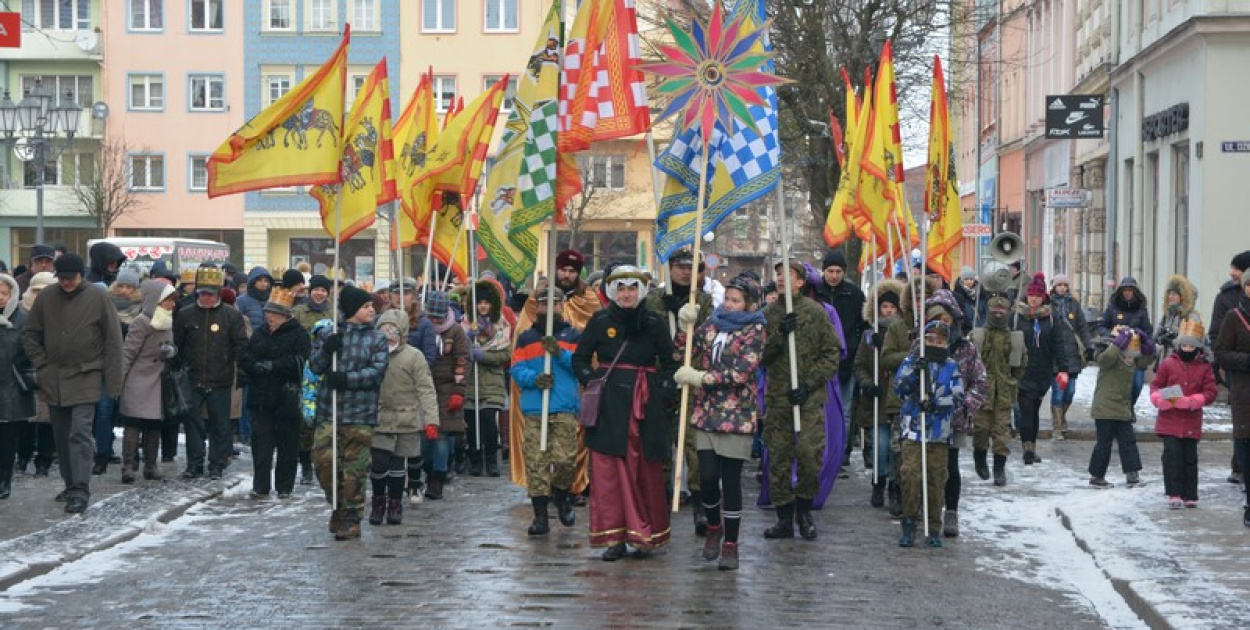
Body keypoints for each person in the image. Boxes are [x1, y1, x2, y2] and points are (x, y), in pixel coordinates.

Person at [574, 265, 679, 560]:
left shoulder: (655, 323)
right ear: (612, 292)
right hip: (609, 406)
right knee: (609, 473)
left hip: (644, 405)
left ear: (641, 291)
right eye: (621, 289)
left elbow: (669, 363)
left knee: (644, 470)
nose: (626, 294)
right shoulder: (599, 321)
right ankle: (614, 538)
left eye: (632, 288)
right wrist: (591, 380)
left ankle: (644, 534)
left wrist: (664, 390)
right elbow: (580, 358)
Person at [673, 276, 766, 570]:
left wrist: (703, 378)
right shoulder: (713, 324)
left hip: (737, 414)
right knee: (707, 476)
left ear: (750, 303)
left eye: (736, 300)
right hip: (706, 412)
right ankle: (714, 527)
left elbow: (741, 372)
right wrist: (683, 325)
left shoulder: (756, 329)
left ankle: (731, 543)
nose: (729, 304)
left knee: (731, 480)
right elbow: (682, 351)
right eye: (727, 298)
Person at [20, 253, 124, 514]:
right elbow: (30, 334)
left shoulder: (99, 297)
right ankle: (70, 484)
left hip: (87, 375)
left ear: (81, 275)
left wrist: (113, 383)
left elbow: (113, 342)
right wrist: (41, 363)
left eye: (71, 278)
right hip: (53, 377)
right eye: (62, 278)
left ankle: (80, 489)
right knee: (62, 436)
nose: (66, 283)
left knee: (79, 433)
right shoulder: (46, 297)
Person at [760, 260, 841, 541]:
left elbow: (832, 353)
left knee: (808, 453)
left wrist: (808, 385)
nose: (782, 279)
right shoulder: (769, 314)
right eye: (779, 274)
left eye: (789, 275)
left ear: (801, 282)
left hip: (808, 399)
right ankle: (783, 516)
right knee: (779, 458)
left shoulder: (816, 313)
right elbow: (761, 356)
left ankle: (804, 509)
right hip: (779, 398)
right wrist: (779, 334)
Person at [311, 286, 390, 540]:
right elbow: (314, 366)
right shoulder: (329, 334)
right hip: (329, 411)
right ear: (352, 309)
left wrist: (346, 379)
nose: (371, 310)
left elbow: (376, 373)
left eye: (372, 306)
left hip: (360, 414)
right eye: (366, 306)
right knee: (324, 463)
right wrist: (326, 350)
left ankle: (353, 518)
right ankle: (339, 506)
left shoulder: (377, 339)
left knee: (354, 469)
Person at [645, 248, 714, 534]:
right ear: (670, 268)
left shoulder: (705, 301)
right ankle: (660, 506)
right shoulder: (653, 300)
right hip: (661, 379)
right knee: (661, 447)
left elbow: (709, 336)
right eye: (681, 266)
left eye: (692, 267)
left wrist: (689, 319)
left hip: (691, 378)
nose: (686, 272)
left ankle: (700, 505)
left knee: (693, 446)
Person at [511, 287, 582, 536]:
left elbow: (579, 366)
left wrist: (559, 353)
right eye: (544, 303)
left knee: (565, 460)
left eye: (554, 303)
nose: (549, 308)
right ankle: (540, 516)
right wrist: (534, 379)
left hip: (564, 406)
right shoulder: (526, 337)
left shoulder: (573, 335)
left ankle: (561, 495)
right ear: (537, 307)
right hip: (535, 408)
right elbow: (516, 369)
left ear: (562, 306)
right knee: (536, 463)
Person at [893, 321, 966, 548]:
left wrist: (936, 404)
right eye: (930, 338)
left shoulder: (951, 366)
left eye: (940, 339)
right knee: (911, 477)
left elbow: (958, 396)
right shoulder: (912, 361)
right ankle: (909, 523)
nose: (934, 342)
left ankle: (934, 526)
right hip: (914, 431)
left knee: (936, 480)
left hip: (938, 433)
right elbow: (899, 388)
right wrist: (916, 374)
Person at [172, 264, 248, 480]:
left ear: (218, 294)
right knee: (192, 423)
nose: (206, 297)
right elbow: (178, 344)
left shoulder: (231, 316)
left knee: (220, 425)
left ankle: (217, 464)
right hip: (193, 376)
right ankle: (194, 464)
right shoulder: (186, 315)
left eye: (210, 294)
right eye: (202, 293)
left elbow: (240, 345)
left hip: (220, 378)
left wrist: (239, 369)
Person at [922, 290, 987, 538]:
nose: (941, 322)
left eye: (945, 318)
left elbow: (980, 382)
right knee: (925, 465)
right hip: (925, 418)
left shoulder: (966, 348)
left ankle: (951, 511)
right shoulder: (920, 344)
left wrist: (965, 405)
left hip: (954, 418)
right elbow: (906, 378)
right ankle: (926, 507)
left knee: (950, 465)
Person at [238, 287, 310, 499]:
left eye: (275, 313)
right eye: (268, 312)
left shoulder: (299, 334)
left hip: (287, 397)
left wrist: (274, 365)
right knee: (261, 445)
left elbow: (302, 361)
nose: (270, 317)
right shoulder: (260, 332)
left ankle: (284, 487)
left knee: (288, 445)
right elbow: (244, 356)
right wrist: (255, 366)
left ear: (286, 316)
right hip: (261, 397)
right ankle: (260, 486)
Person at [370, 308, 438, 526]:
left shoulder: (414, 356)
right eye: (384, 331)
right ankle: (378, 501)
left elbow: (426, 389)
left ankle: (395, 503)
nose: (389, 336)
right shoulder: (372, 353)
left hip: (406, 418)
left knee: (398, 464)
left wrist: (431, 420)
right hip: (379, 416)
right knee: (379, 463)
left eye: (394, 332)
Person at [809, 251, 866, 478]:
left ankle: (841, 454)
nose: (833, 276)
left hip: (846, 361)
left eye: (838, 272)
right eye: (830, 271)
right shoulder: (815, 293)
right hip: (818, 360)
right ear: (824, 271)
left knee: (844, 410)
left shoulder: (854, 294)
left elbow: (863, 325)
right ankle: (821, 452)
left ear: (844, 272)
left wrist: (854, 348)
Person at [117, 280, 179, 484]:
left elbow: (170, 345)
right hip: (139, 379)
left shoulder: (167, 320)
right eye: (169, 300)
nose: (173, 304)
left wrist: (171, 351)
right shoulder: (142, 321)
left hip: (158, 379)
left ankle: (151, 465)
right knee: (133, 423)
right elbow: (128, 352)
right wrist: (120, 380)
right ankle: (128, 466)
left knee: (154, 424)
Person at [1150, 320, 1216, 509]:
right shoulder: (1169, 364)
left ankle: (1190, 494)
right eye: (1184, 345)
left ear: (1198, 348)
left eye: (1191, 346)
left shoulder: (1204, 367)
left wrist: (1195, 401)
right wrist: (1159, 399)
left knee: (1189, 458)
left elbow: (1210, 392)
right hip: (1169, 420)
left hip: (1191, 421)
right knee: (1172, 457)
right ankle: (1174, 493)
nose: (1187, 349)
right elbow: (1157, 385)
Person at [1014, 273, 1077, 465]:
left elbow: (1059, 345)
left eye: (1037, 295)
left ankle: (1031, 445)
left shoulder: (1050, 318)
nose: (1034, 298)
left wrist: (1064, 370)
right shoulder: (1017, 317)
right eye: (1031, 295)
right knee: (1025, 409)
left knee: (1034, 410)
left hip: (1043, 372)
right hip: (1021, 371)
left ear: (1043, 297)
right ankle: (1027, 449)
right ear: (1026, 295)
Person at [852, 279, 904, 508]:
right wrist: (866, 384)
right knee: (880, 446)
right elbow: (859, 364)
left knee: (896, 449)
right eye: (884, 307)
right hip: (876, 401)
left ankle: (895, 485)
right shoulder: (868, 335)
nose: (888, 311)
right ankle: (878, 482)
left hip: (898, 399)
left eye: (892, 307)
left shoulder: (906, 333)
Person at [1088, 326, 1155, 488]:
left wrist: (1146, 343)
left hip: (1123, 407)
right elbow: (1104, 360)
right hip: (1105, 408)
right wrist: (1117, 344)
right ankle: (1097, 476)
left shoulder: (1130, 355)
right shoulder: (1105, 351)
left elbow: (1146, 360)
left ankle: (1132, 474)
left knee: (1128, 441)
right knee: (1104, 442)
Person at [971, 292, 1027, 486]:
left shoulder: (1013, 337)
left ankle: (999, 469)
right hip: (982, 392)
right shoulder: (978, 335)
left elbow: (1021, 364)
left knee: (1001, 433)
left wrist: (1011, 381)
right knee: (981, 430)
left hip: (1003, 392)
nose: (998, 313)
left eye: (1002, 310)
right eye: (994, 310)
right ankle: (979, 457)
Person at [459, 277, 511, 477]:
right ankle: (475, 459)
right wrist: (469, 339)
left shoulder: (502, 326)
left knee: (489, 420)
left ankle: (491, 460)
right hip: (471, 381)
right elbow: (460, 349)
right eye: (479, 302)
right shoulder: (465, 324)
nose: (483, 306)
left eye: (486, 302)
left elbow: (506, 354)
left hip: (492, 382)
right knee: (471, 424)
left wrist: (484, 355)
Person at [1213, 271, 1250, 526]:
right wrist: (1246, 361)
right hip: (1244, 393)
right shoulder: (1234, 317)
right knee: (1246, 448)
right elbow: (1221, 353)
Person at [423, 290, 468, 499]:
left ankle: (437, 478)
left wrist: (458, 391)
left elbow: (462, 360)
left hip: (448, 387)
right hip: (424, 387)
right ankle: (427, 469)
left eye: (438, 317)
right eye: (431, 316)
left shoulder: (456, 331)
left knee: (441, 436)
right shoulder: (423, 328)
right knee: (425, 437)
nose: (435, 321)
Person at [0, 273, 36, 499]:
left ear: (13, 294)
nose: (0, 298)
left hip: (12, 387)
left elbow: (31, 352)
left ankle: (5, 480)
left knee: (7, 439)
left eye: (4, 293)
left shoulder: (22, 319)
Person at [15, 272, 55, 477]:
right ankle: (23, 456)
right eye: (36, 290)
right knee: (26, 419)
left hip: (49, 370)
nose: (39, 295)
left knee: (48, 421)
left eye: (44, 291)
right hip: (24, 370)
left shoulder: (58, 310)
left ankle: (44, 461)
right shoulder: (20, 308)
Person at [1049, 275, 1095, 439]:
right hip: (1055, 356)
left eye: (1065, 285)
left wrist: (1089, 346)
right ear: (1054, 287)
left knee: (1070, 391)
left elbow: (1082, 327)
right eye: (1059, 285)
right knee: (1058, 391)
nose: (1062, 288)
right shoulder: (1049, 304)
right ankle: (1057, 427)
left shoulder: (1074, 304)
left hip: (1072, 354)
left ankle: (1062, 417)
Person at [1097, 277, 1152, 411]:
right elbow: (1101, 327)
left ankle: (1129, 407)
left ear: (1135, 292)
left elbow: (1148, 331)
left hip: (1135, 354)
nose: (1127, 293)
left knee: (1137, 384)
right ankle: (1122, 410)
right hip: (1117, 352)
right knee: (1119, 385)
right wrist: (1112, 332)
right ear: (1120, 292)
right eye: (1125, 290)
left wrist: (1140, 335)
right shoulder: (1112, 308)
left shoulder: (1141, 310)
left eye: (1130, 290)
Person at [1154, 274, 1201, 363]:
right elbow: (1155, 337)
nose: (1170, 297)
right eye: (1169, 294)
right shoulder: (1167, 315)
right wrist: (1160, 336)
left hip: (1182, 364)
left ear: (1183, 297)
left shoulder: (1191, 316)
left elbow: (1193, 343)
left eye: (1174, 294)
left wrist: (1172, 341)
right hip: (1165, 363)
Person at [235, 266, 275, 333]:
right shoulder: (241, 301)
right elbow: (237, 324)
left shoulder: (273, 301)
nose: (263, 284)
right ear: (253, 281)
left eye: (266, 280)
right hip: (249, 340)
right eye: (259, 280)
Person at [953, 267, 979, 334]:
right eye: (966, 279)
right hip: (964, 331)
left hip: (979, 329)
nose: (969, 282)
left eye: (971, 279)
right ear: (962, 280)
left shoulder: (981, 293)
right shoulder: (957, 295)